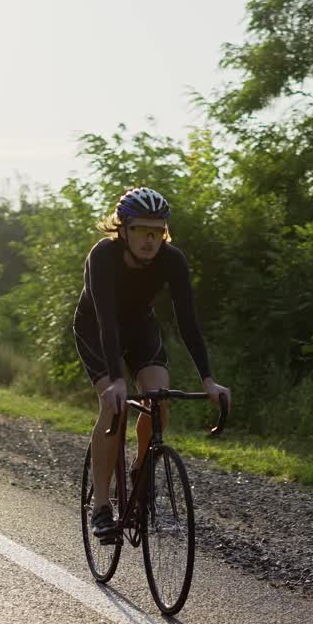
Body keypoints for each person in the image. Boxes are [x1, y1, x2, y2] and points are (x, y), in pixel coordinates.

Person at [72, 186, 231, 541]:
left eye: (157, 231)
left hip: (140, 327)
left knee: (158, 401)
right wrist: (115, 379)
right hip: (97, 327)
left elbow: (188, 321)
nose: (150, 239)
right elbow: (106, 321)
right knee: (113, 408)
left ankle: (140, 475)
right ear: (123, 229)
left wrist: (208, 380)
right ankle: (100, 507)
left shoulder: (172, 259)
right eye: (142, 230)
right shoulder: (103, 256)